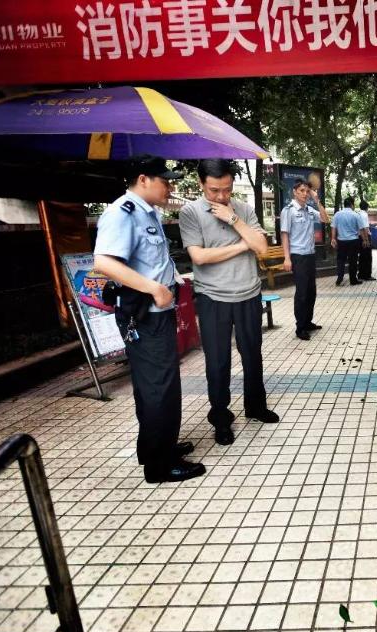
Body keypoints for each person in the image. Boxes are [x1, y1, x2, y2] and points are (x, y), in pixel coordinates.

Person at [93, 155, 204, 484]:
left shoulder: (147, 212)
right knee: (160, 388)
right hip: (145, 315)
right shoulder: (122, 212)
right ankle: (161, 465)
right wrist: (154, 288)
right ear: (143, 179)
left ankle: (155, 447)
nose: (169, 187)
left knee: (151, 386)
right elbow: (104, 263)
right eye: (164, 181)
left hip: (155, 312)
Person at [178, 159, 279, 447]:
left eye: (227, 189)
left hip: (248, 293)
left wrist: (233, 219)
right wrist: (243, 243)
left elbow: (262, 247)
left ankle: (255, 406)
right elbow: (199, 257)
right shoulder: (190, 212)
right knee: (218, 361)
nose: (222, 196)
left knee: (253, 355)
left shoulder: (243, 209)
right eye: (214, 190)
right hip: (213, 297)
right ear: (201, 184)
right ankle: (221, 417)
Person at [280, 178, 322, 341]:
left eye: (307, 191)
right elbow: (285, 234)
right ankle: (300, 327)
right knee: (302, 293)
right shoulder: (288, 211)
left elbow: (325, 219)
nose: (305, 194)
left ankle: (308, 322)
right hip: (298, 256)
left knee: (311, 291)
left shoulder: (310, 210)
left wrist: (317, 201)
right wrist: (287, 258)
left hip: (310, 255)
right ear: (294, 192)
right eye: (301, 191)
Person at [331, 196, 365, 286]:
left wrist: (333, 238)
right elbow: (361, 229)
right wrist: (365, 240)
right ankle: (353, 280)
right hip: (353, 241)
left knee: (340, 260)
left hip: (341, 241)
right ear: (352, 205)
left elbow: (333, 227)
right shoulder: (355, 215)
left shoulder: (337, 214)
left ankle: (340, 277)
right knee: (353, 261)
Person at [357, 199, 376, 281]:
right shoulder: (364, 215)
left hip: (359, 237)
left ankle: (361, 274)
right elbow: (365, 228)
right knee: (368, 257)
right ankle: (367, 275)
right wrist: (366, 240)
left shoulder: (358, 214)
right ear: (367, 207)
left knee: (362, 256)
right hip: (365, 236)